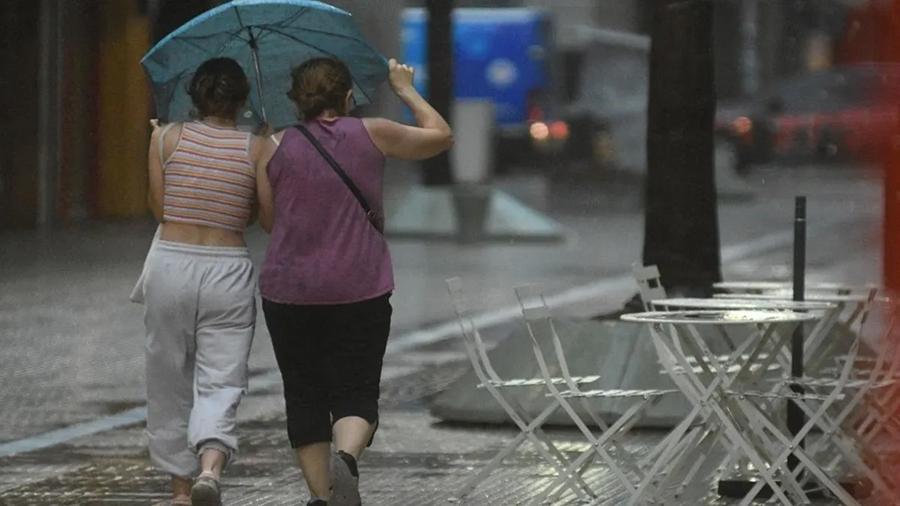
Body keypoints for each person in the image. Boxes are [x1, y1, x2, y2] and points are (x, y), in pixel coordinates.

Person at [255, 57, 453, 505]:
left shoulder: (272, 145)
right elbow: (441, 136)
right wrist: (404, 89)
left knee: (304, 395)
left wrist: (269, 155)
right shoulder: (373, 132)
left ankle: (323, 497)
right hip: (360, 287)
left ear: (297, 100)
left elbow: (268, 222)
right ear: (347, 97)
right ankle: (345, 458)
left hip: (289, 292)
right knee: (356, 390)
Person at [142, 57, 267, 506]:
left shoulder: (164, 138)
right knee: (222, 378)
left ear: (194, 95)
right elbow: (264, 219)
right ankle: (210, 469)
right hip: (227, 270)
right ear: (242, 100)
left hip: (170, 265)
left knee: (167, 379)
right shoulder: (257, 147)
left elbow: (161, 209)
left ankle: (179, 489)